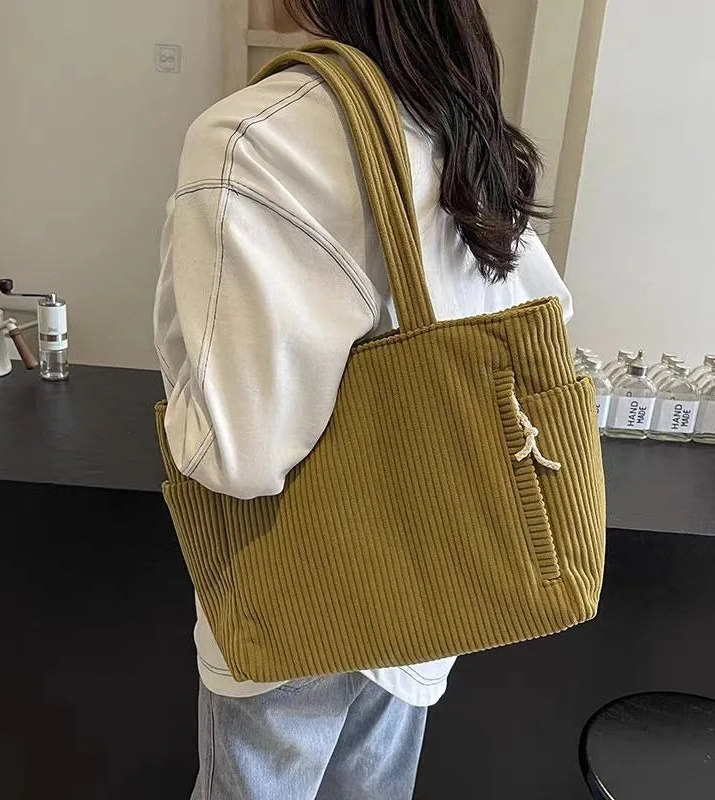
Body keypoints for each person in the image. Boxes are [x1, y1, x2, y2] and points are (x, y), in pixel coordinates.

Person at [154, 0, 573, 797]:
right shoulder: (449, 118)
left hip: (295, 602)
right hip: (428, 590)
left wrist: (181, 415)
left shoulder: (255, 137)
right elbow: (546, 319)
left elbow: (238, 455)